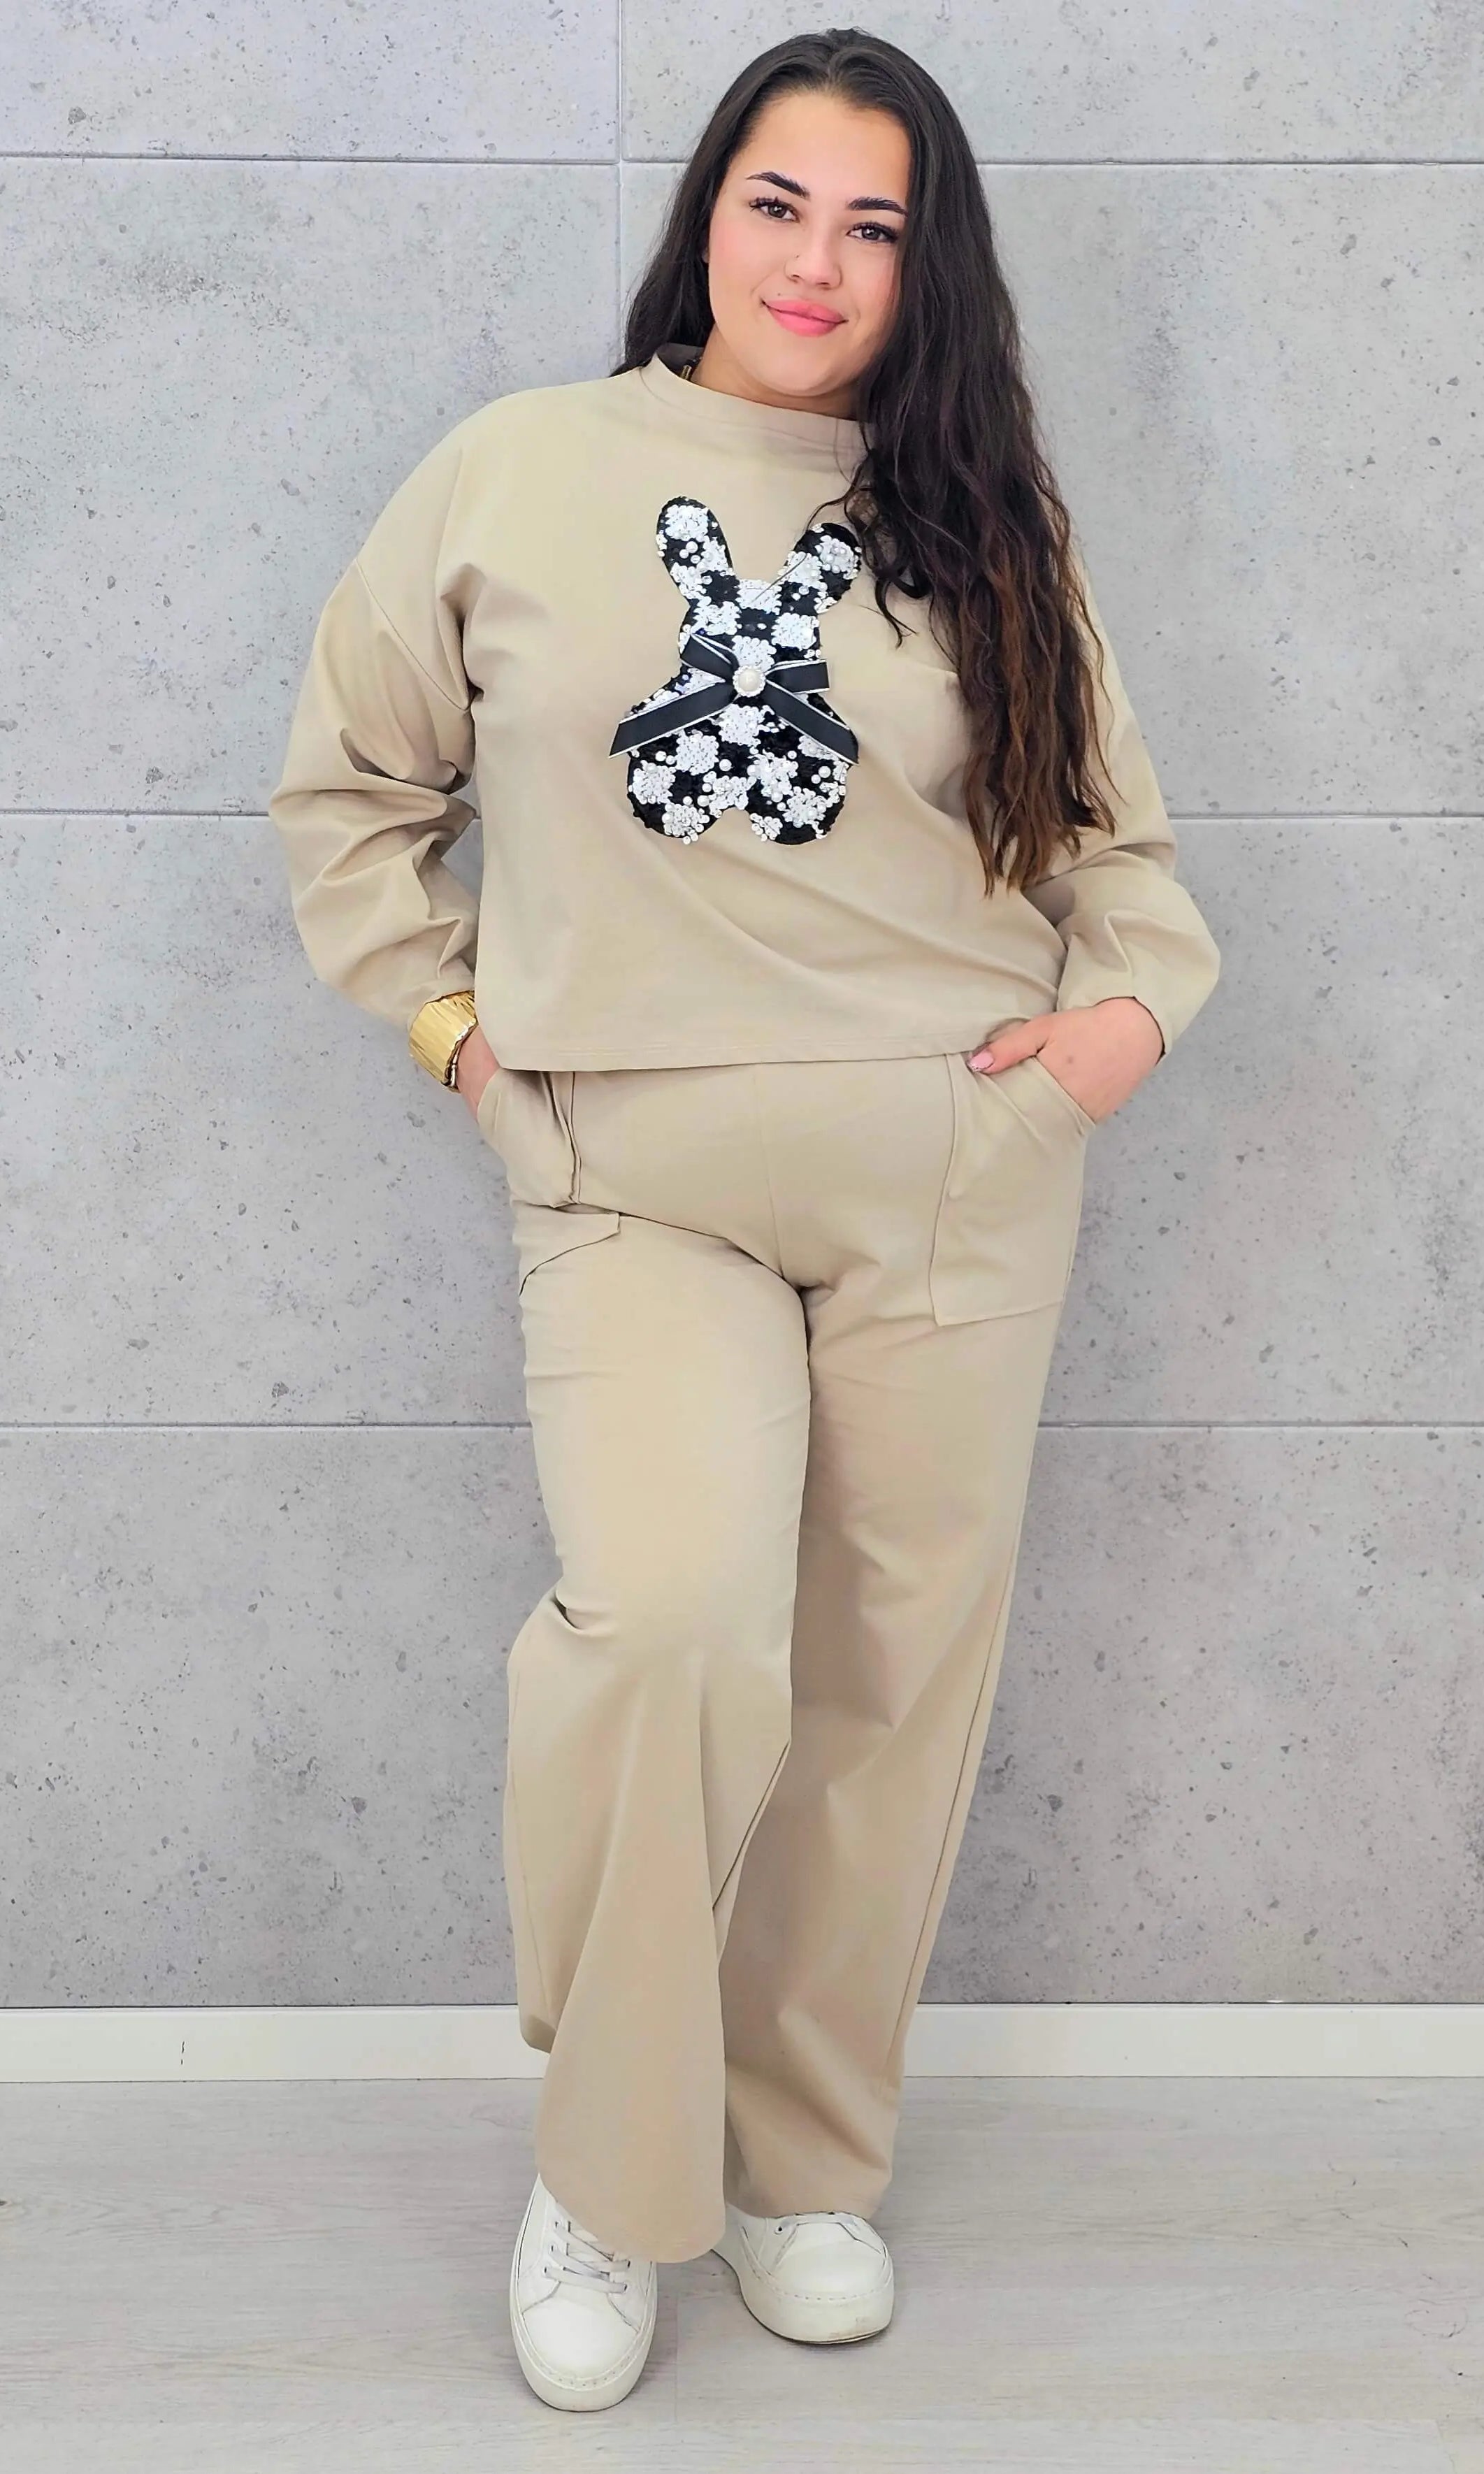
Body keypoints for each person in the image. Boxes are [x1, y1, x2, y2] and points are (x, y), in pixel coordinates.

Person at [267, 26, 1221, 2415]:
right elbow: (348, 793)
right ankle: (608, 2171)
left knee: (886, 1687)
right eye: (779, 203)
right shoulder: (519, 468)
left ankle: (803, 2156)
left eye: (873, 226)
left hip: (948, 1169)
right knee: (675, 1628)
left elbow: (1115, 853)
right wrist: (461, 1037)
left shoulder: (979, 512)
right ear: (707, 209)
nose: (815, 262)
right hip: (634, 1176)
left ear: (925, 266)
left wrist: (1109, 1035)